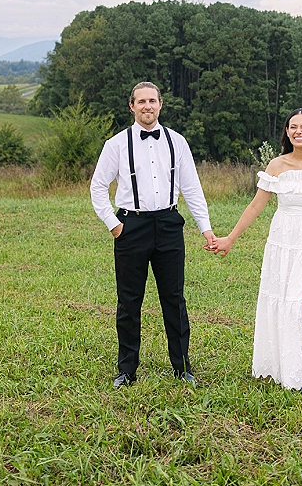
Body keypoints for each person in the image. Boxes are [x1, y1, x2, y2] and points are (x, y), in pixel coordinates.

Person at [91, 81, 216, 388]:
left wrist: (206, 228)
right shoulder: (116, 144)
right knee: (129, 301)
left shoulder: (177, 142)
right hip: (131, 227)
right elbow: (97, 187)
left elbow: (192, 188)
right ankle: (127, 370)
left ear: (161, 104)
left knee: (174, 299)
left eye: (152, 101)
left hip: (169, 224)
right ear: (132, 107)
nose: (147, 106)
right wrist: (114, 225)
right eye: (141, 101)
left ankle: (182, 367)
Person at [210, 108, 302, 391]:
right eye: (293, 126)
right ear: (286, 132)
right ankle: (286, 366)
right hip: (282, 239)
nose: (298, 131)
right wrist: (231, 238)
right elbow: (256, 205)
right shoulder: (276, 165)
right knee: (285, 298)